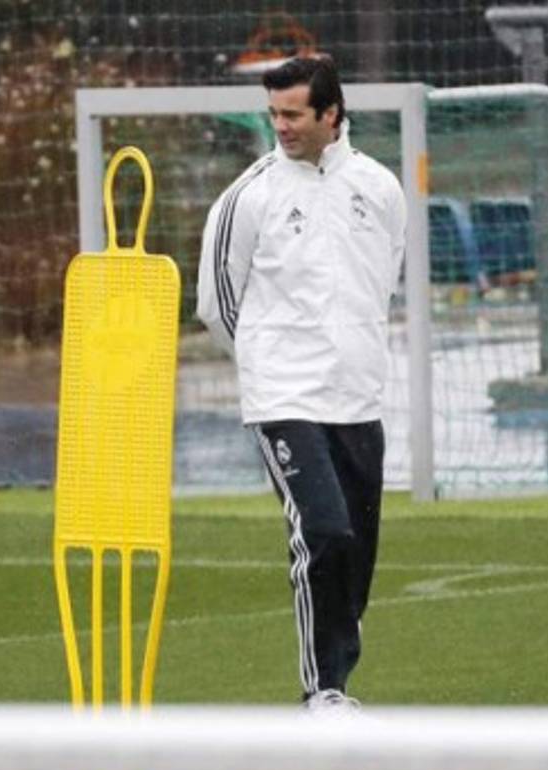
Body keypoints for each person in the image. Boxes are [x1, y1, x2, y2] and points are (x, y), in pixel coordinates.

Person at [196, 55, 406, 711]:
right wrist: (269, 358)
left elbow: (382, 281)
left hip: (359, 394)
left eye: (293, 114)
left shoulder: (380, 188)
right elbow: (217, 303)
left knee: (358, 547)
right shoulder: (249, 197)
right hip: (284, 396)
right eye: (275, 114)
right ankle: (323, 694)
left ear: (331, 115)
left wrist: (349, 347)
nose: (281, 126)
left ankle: (339, 666)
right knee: (324, 531)